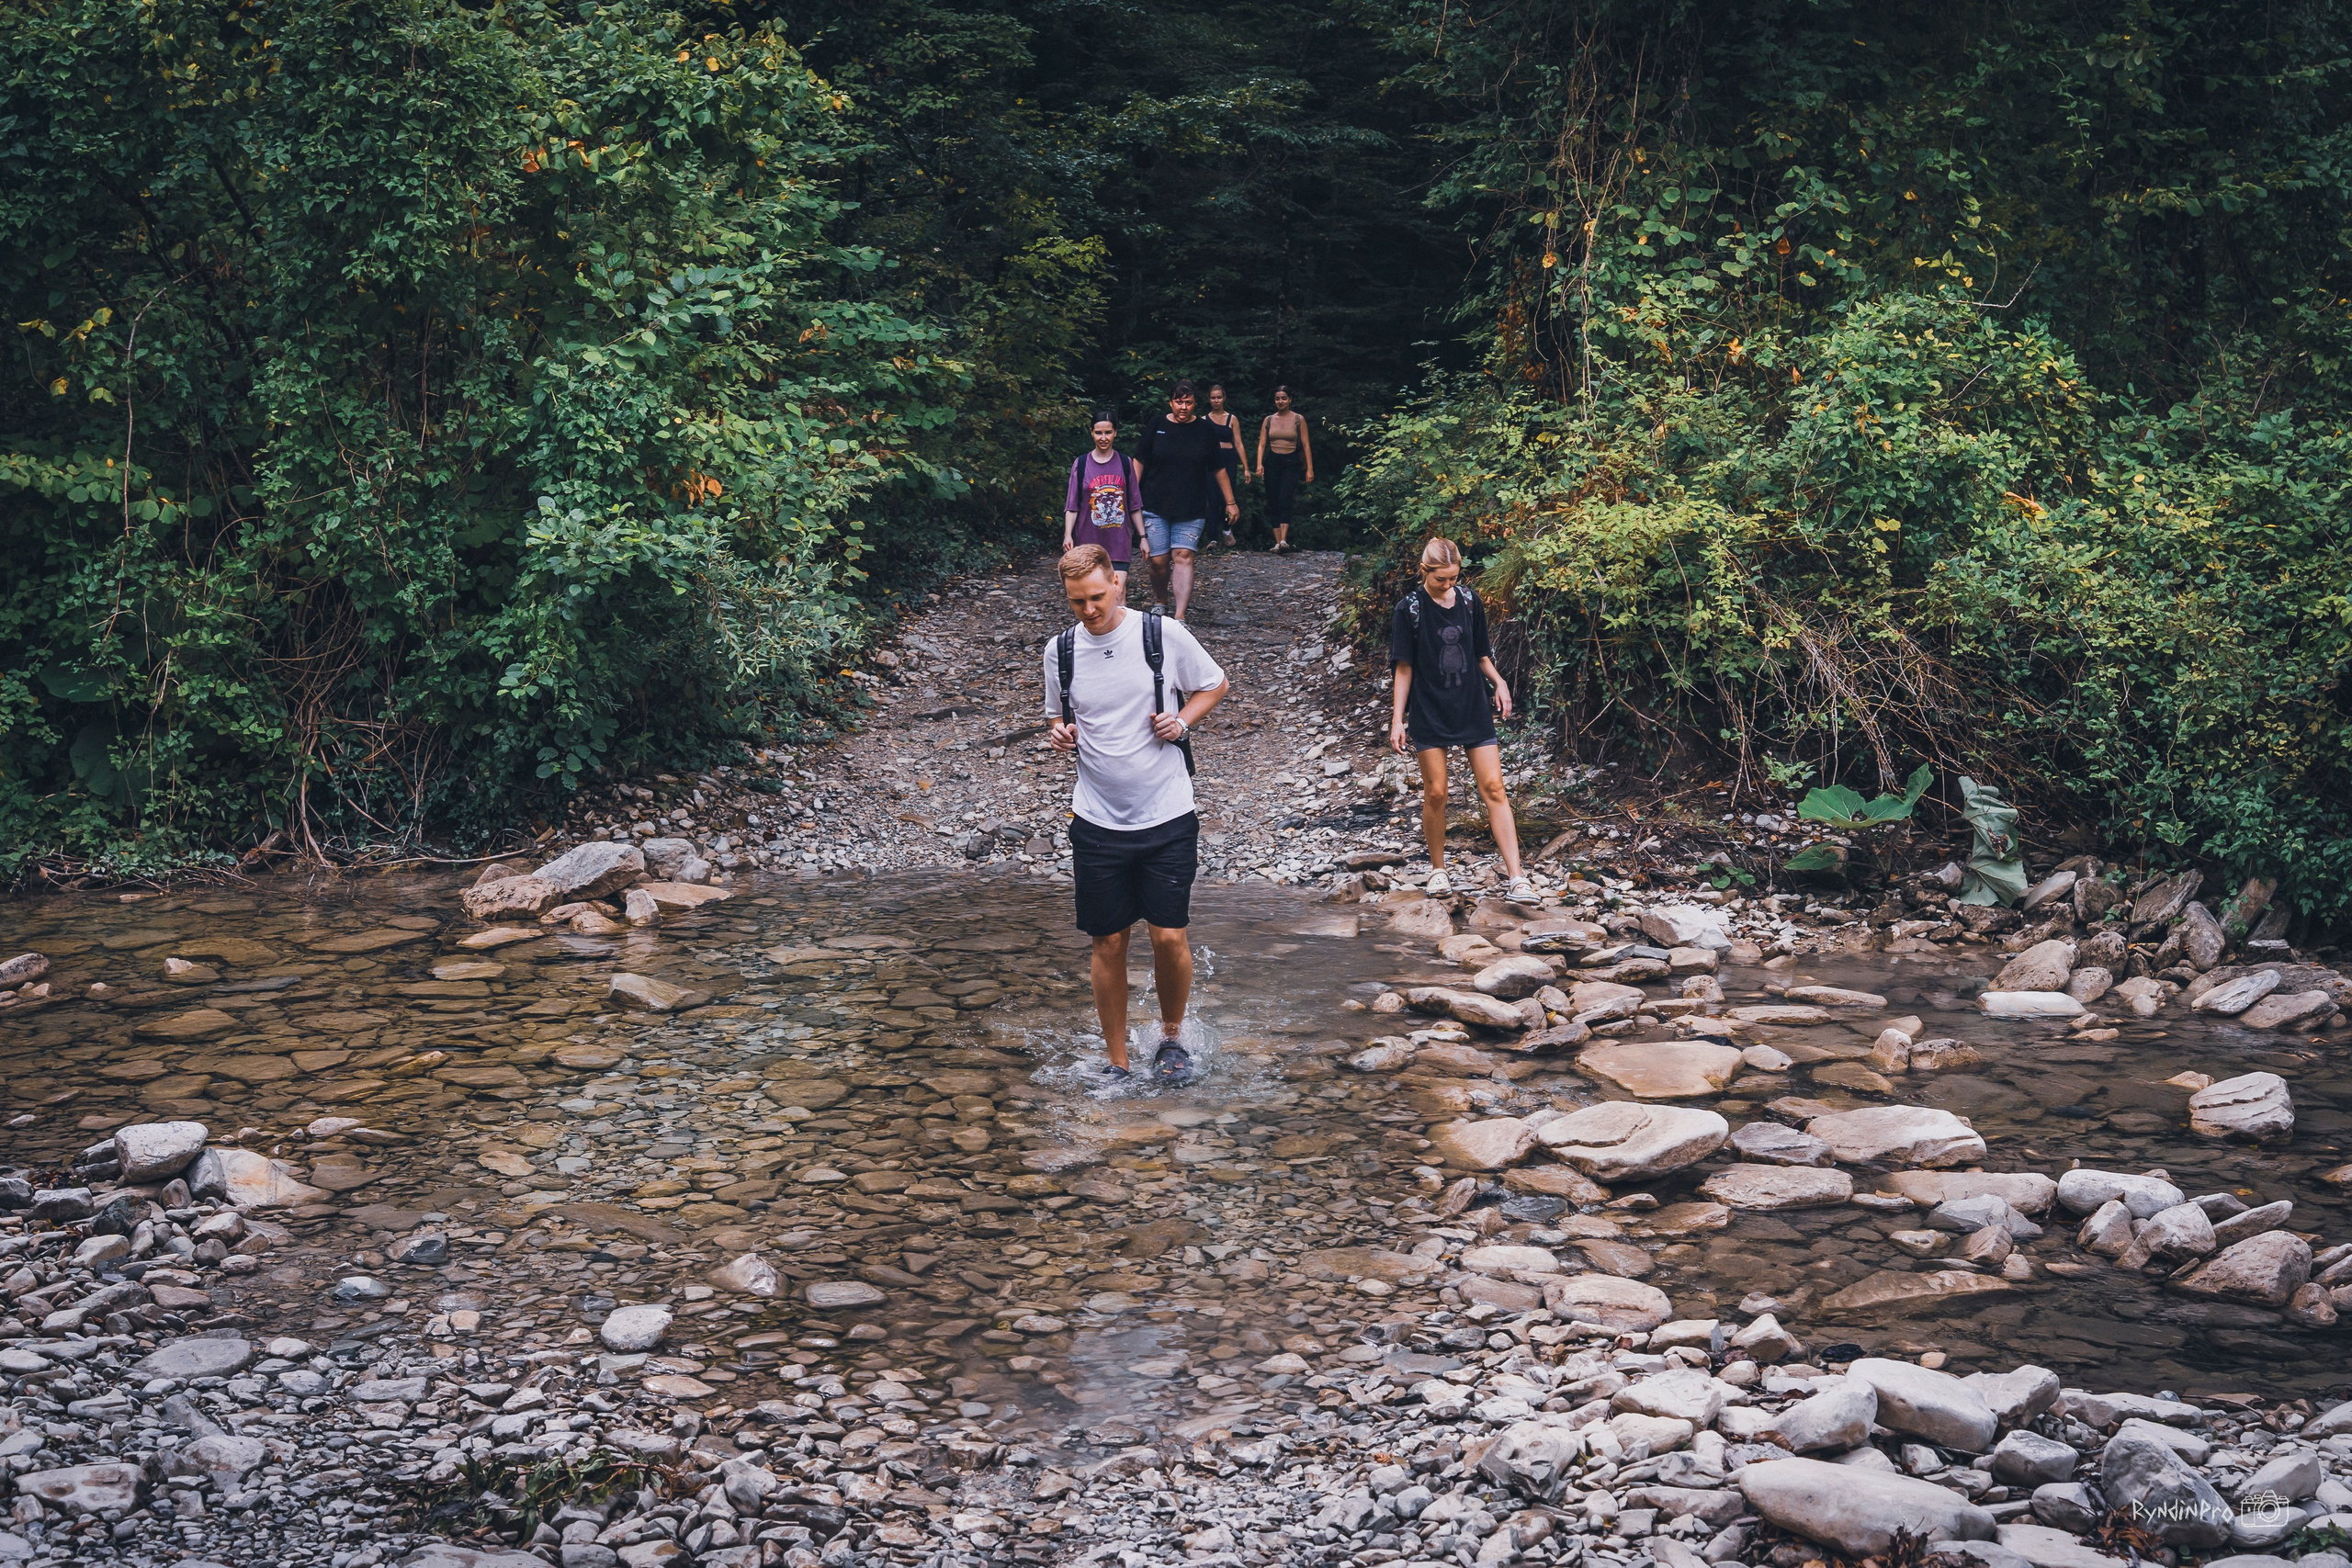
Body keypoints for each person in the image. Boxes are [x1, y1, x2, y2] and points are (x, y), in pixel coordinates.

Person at [1045, 544, 1231, 1080]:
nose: (1088, 610)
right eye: (1077, 601)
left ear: (1117, 584)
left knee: (1168, 936)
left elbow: (1215, 684)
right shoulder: (1060, 651)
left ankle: (1171, 1039)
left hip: (1167, 813)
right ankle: (1117, 1060)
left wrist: (1183, 720)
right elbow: (1057, 716)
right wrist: (1060, 732)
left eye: (1096, 597)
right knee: (1107, 941)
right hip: (1096, 819)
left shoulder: (1160, 635)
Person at [1387, 536, 1538, 905]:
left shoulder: (1470, 601)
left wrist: (1500, 682)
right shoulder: (1409, 609)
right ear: (1424, 571)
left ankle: (1517, 879)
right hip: (1429, 708)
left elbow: (1481, 654)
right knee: (1437, 792)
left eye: (1453, 578)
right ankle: (1438, 871)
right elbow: (1403, 668)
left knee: (1495, 788)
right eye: (1441, 579)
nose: (1448, 585)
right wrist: (1397, 719)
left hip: (1471, 705)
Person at [1132, 379, 1239, 621]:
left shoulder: (1205, 430)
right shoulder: (1157, 424)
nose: (1183, 407)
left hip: (1191, 506)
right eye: (1179, 402)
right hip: (1154, 504)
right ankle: (1161, 600)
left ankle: (1180, 616)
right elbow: (1139, 460)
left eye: (1188, 403)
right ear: (1170, 402)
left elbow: (1218, 468)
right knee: (1158, 561)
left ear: (1195, 404)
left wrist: (1230, 502)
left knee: (1183, 556)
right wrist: (1131, 494)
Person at [1063, 412, 1145, 591]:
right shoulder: (1081, 464)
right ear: (1091, 433)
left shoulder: (1125, 462)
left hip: (1119, 541)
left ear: (1115, 432)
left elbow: (1134, 505)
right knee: (1093, 591)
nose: (1103, 438)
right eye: (1098, 433)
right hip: (1088, 541)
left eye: (1108, 432)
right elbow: (1072, 506)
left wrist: (1143, 537)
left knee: (1117, 591)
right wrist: (1068, 534)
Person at [1255, 385, 1314, 555]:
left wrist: (1310, 468)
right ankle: (1277, 542)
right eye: (1277, 399)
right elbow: (1262, 444)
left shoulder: (1298, 419)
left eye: (1284, 398)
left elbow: (1306, 445)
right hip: (1273, 460)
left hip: (1291, 461)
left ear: (1290, 400)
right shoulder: (1268, 420)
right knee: (1273, 499)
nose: (1280, 401)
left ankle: (1283, 540)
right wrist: (1259, 464)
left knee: (1285, 497)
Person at [1204, 382, 1250, 548]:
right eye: (1213, 398)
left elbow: (1238, 443)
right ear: (1209, 399)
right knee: (1212, 498)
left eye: (1219, 397)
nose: (1216, 401)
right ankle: (1212, 538)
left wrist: (1246, 468)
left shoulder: (1232, 419)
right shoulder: (1204, 420)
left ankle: (1227, 529)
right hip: (1211, 460)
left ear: (1224, 398)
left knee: (1227, 497)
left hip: (1228, 458)